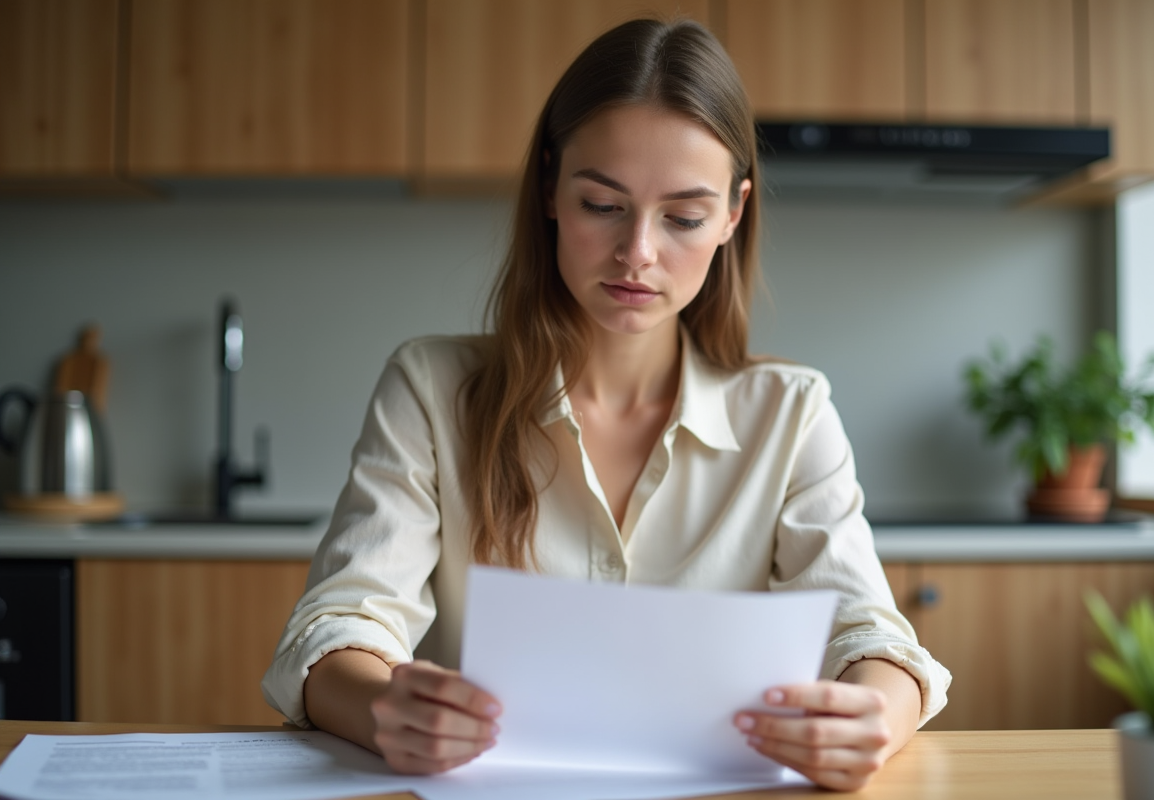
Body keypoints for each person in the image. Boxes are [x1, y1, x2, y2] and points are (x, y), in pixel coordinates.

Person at [263, 17, 950, 792]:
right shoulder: (431, 388)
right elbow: (339, 627)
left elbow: (872, 637)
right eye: (603, 205)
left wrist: (874, 716)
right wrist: (385, 706)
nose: (638, 254)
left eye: (684, 218)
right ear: (552, 188)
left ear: (733, 215)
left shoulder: (791, 414)